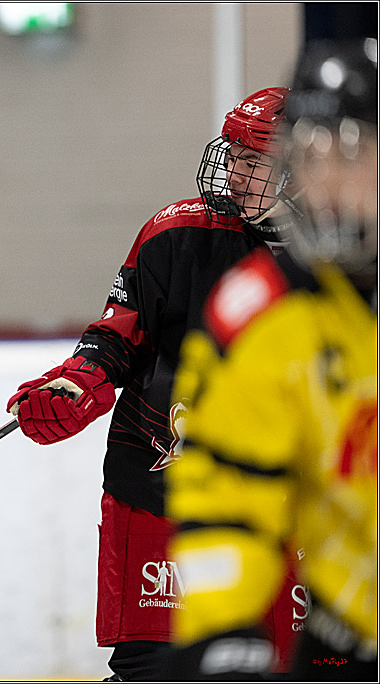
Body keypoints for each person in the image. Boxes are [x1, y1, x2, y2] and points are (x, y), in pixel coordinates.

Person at [7, 88, 304, 680]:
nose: (235, 173)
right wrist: (78, 383)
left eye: (255, 162)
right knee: (152, 669)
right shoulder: (175, 233)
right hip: (159, 487)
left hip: (299, 506)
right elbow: (117, 335)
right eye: (234, 156)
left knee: (308, 664)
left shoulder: (354, 255)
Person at [165, 38, 377, 681]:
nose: (327, 182)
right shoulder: (262, 314)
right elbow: (227, 496)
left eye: (351, 154)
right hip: (349, 645)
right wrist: (223, 630)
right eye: (310, 157)